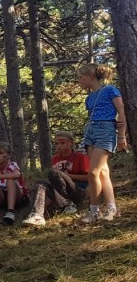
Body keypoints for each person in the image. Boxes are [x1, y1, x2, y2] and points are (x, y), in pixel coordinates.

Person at [76, 63, 127, 223]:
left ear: (91, 77)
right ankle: (112, 208)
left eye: (81, 78)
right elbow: (92, 115)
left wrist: (121, 136)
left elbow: (122, 111)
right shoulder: (89, 98)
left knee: (92, 173)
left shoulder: (110, 90)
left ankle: (94, 210)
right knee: (103, 173)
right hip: (91, 132)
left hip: (106, 130)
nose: (79, 81)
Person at [21, 131, 90, 226]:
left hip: (77, 190)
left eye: (62, 143)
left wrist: (69, 176)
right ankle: (37, 215)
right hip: (60, 195)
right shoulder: (55, 159)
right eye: (56, 144)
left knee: (53, 172)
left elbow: (89, 177)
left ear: (71, 143)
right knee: (40, 183)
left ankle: (69, 203)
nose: (59, 146)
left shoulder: (80, 157)